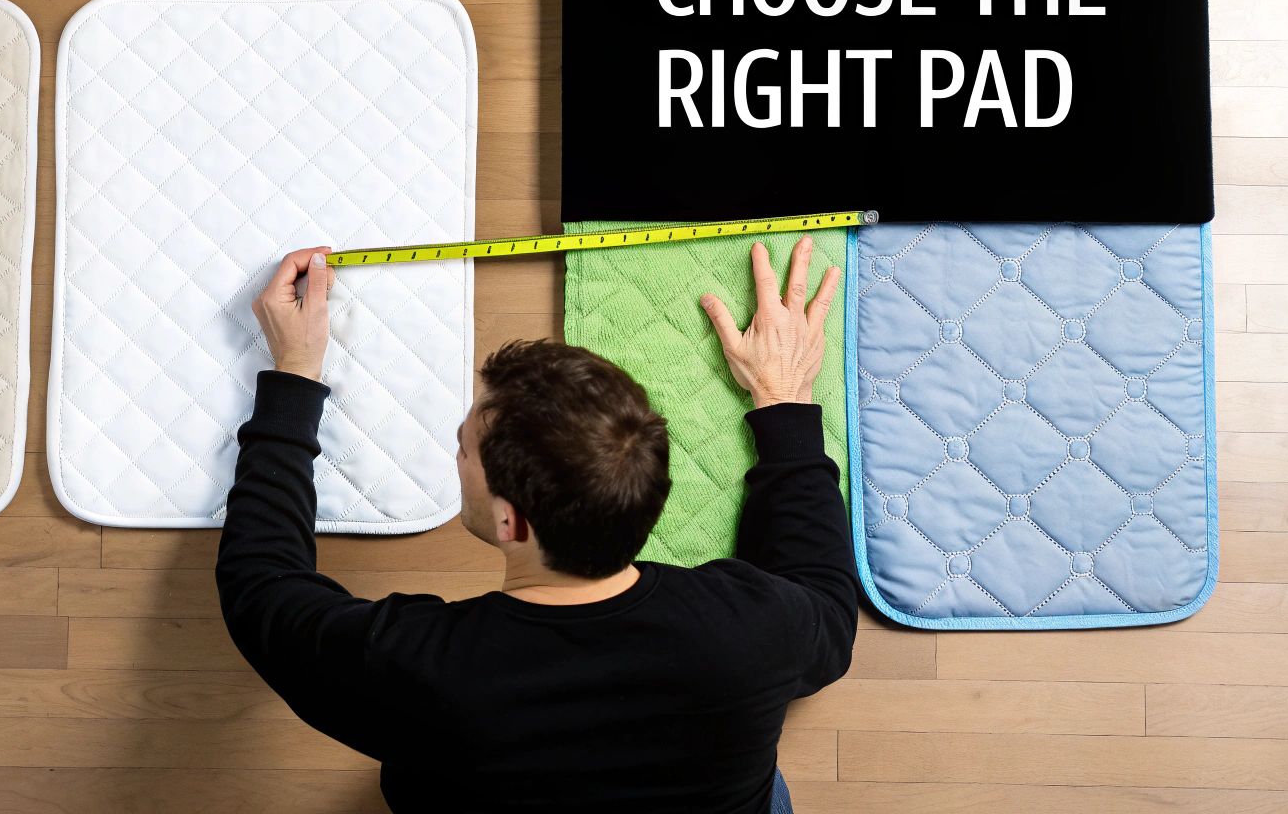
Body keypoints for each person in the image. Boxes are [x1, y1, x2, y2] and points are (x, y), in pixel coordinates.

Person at [217, 238, 856, 814]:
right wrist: (785, 395)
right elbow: (828, 608)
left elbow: (261, 592)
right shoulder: (754, 631)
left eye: (466, 447)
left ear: (511, 521)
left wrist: (294, 373)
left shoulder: (422, 670)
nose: (457, 442)